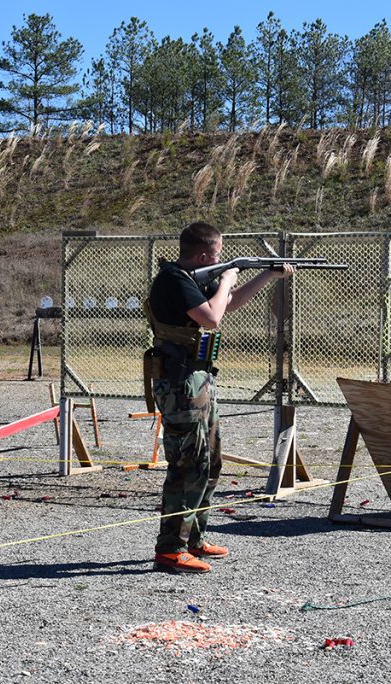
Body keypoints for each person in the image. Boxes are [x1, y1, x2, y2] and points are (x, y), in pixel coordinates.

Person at [145, 222, 292, 574]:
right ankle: (171, 548)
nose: (221, 259)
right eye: (218, 254)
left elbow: (229, 303)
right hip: (180, 382)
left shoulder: (192, 278)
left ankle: (192, 538)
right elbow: (211, 319)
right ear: (204, 255)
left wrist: (266, 277)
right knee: (187, 464)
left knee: (209, 462)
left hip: (197, 379)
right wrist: (228, 277)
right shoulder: (175, 279)